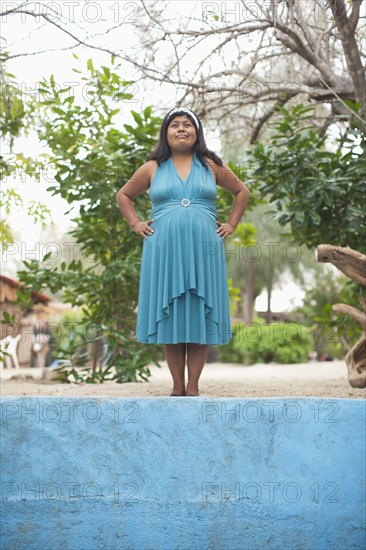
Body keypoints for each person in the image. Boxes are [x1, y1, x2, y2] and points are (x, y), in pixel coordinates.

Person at [116, 107, 249, 396]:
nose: (181, 129)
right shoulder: (153, 166)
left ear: (197, 132)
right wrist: (135, 223)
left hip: (205, 249)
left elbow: (242, 191)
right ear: (166, 133)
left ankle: (193, 386)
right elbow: (123, 195)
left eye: (187, 125)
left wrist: (232, 224)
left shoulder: (211, 164)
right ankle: (177, 386)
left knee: (199, 311)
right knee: (172, 312)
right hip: (163, 249)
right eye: (174, 125)